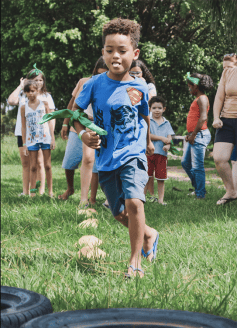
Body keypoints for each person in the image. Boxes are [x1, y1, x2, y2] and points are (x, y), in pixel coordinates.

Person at [71, 18, 159, 278]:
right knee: (119, 212)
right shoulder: (94, 85)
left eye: (122, 50)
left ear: (135, 53)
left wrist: (148, 141)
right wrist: (83, 134)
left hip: (133, 153)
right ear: (103, 53)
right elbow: (75, 113)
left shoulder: (140, 86)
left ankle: (135, 263)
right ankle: (149, 234)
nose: (115, 56)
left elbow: (143, 117)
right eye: (109, 50)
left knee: (134, 201)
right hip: (107, 157)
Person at [59, 57, 108, 208]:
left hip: (101, 125)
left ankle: (91, 199)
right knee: (71, 161)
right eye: (98, 74)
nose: (101, 78)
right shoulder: (86, 83)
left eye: (105, 74)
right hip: (82, 123)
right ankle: (74, 192)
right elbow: (74, 105)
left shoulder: (113, 85)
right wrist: (65, 123)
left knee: (93, 162)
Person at [7, 64, 55, 195]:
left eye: (40, 80)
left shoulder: (46, 97)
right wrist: (21, 85)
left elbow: (52, 117)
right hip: (22, 133)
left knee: (39, 163)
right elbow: (11, 101)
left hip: (40, 134)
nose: (38, 83)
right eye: (35, 80)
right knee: (25, 163)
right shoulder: (24, 94)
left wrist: (51, 137)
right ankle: (25, 192)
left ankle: (41, 191)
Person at [181, 72, 213, 199]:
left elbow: (203, 118)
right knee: (185, 163)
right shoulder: (197, 99)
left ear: (195, 86)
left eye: (190, 86)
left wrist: (193, 135)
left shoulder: (202, 98)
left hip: (199, 135)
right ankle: (199, 188)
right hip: (194, 135)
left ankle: (200, 194)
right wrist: (189, 134)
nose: (189, 88)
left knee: (197, 166)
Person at [21, 80, 55, 197]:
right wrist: (24, 143)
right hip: (31, 140)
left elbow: (50, 122)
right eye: (27, 91)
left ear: (37, 91)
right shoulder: (23, 107)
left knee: (47, 165)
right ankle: (33, 193)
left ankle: (50, 191)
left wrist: (53, 139)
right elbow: (23, 126)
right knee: (33, 166)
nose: (30, 94)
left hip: (45, 137)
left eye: (32, 91)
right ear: (25, 93)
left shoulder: (44, 104)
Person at [212, 53, 237, 204]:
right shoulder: (227, 72)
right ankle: (231, 191)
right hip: (227, 119)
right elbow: (219, 97)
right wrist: (216, 117)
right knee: (219, 158)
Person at [130, 59, 157, 196]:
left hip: (146, 125)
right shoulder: (127, 84)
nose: (135, 74)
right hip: (131, 125)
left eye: (138, 72)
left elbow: (149, 101)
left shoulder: (148, 86)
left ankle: (147, 192)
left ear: (143, 73)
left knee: (146, 160)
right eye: (132, 72)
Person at [144, 96, 175, 204]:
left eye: (159, 108)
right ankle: (142, 198)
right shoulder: (148, 120)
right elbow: (148, 135)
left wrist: (168, 145)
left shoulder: (166, 123)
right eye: (154, 108)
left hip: (162, 154)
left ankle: (161, 200)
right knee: (146, 176)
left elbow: (169, 137)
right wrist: (161, 138)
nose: (157, 110)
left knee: (161, 178)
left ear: (164, 109)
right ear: (150, 109)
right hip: (149, 153)